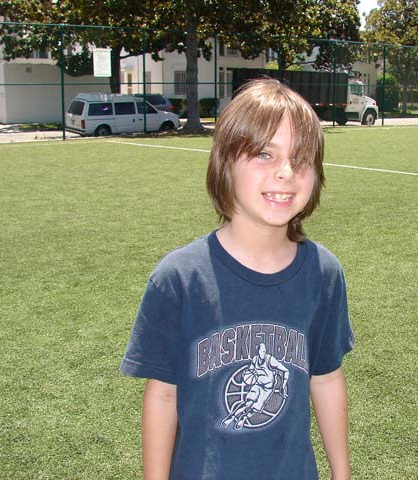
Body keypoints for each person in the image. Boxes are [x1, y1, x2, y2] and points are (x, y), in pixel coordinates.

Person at [120, 78, 354, 480]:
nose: (286, 172)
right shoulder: (179, 278)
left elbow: (326, 377)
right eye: (265, 154)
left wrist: (342, 473)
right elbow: (163, 396)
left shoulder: (323, 272)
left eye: (301, 159)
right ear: (225, 164)